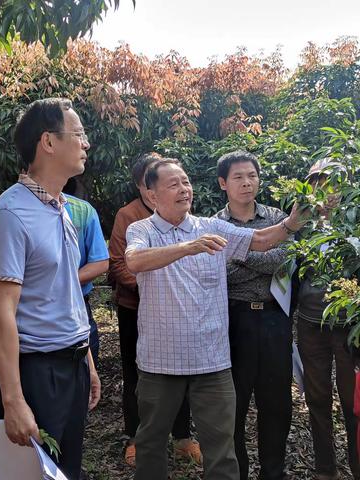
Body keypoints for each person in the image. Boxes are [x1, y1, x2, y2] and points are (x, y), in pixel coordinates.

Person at [125, 159, 306, 480]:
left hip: (212, 361)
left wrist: (291, 224)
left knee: (221, 448)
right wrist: (187, 247)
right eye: (173, 184)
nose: (184, 189)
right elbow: (135, 261)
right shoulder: (142, 230)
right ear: (152, 196)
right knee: (151, 442)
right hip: (160, 361)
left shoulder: (210, 226)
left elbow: (262, 240)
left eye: (186, 182)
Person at [0, 98, 101, 480]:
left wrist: (86, 359)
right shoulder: (10, 213)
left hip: (72, 365)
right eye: (79, 134)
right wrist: (13, 399)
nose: (86, 144)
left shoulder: (62, 207)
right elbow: (2, 313)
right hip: (38, 373)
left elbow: (64, 292)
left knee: (65, 470)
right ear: (48, 142)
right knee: (31, 475)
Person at [108, 153, 200, 466]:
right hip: (135, 307)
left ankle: (183, 436)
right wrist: (152, 284)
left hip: (178, 309)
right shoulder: (129, 216)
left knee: (182, 368)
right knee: (136, 373)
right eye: (157, 178)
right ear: (143, 187)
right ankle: (135, 437)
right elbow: (120, 264)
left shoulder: (181, 212)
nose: (171, 185)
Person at [214, 150, 292, 480]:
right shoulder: (214, 224)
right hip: (235, 320)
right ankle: (238, 472)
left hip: (275, 318)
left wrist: (241, 256)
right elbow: (220, 274)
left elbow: (284, 262)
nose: (247, 183)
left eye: (252, 176)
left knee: (276, 402)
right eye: (238, 177)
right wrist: (261, 255)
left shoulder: (277, 217)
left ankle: (272, 472)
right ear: (223, 183)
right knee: (234, 403)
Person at [295, 158, 360, 480]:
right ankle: (325, 469)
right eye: (319, 184)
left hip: (349, 327)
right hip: (310, 323)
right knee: (317, 397)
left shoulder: (354, 221)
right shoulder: (300, 225)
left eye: (333, 183)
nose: (326, 191)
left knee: (354, 402)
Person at [63, 177, 109, 367]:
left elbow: (100, 262)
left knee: (85, 372)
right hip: (34, 310)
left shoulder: (81, 210)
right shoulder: (14, 210)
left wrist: (60, 283)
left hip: (79, 304)